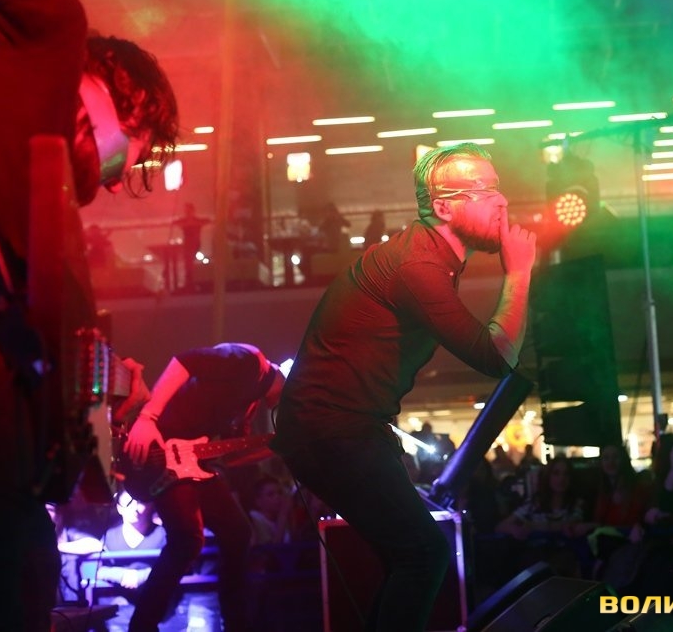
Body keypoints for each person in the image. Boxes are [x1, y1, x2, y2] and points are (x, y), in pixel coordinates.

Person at [0, 0, 177, 630]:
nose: (115, 183)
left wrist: (104, 387)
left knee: (22, 558)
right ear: (126, 99)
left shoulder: (34, 218)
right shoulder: (48, 28)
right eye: (132, 156)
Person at [272, 142, 537, 631]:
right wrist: (519, 271)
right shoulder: (418, 266)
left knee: (409, 558)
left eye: (497, 188)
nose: (501, 201)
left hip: (339, 428)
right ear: (443, 208)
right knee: (422, 554)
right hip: (331, 430)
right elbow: (496, 355)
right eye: (484, 191)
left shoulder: (429, 258)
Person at [122, 342, 285, 632]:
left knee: (237, 532)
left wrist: (276, 447)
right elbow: (184, 361)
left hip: (192, 460)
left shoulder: (250, 402)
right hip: (161, 443)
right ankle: (142, 626)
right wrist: (148, 418)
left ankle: (236, 624)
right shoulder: (250, 360)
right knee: (186, 538)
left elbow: (230, 456)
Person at [172, 202, 212, 291]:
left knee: (190, 263)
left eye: (188, 211)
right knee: (188, 264)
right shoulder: (186, 221)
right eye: (186, 211)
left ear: (192, 211)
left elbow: (207, 220)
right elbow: (175, 223)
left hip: (195, 245)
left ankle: (193, 281)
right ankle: (189, 282)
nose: (187, 213)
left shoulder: (196, 221)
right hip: (188, 245)